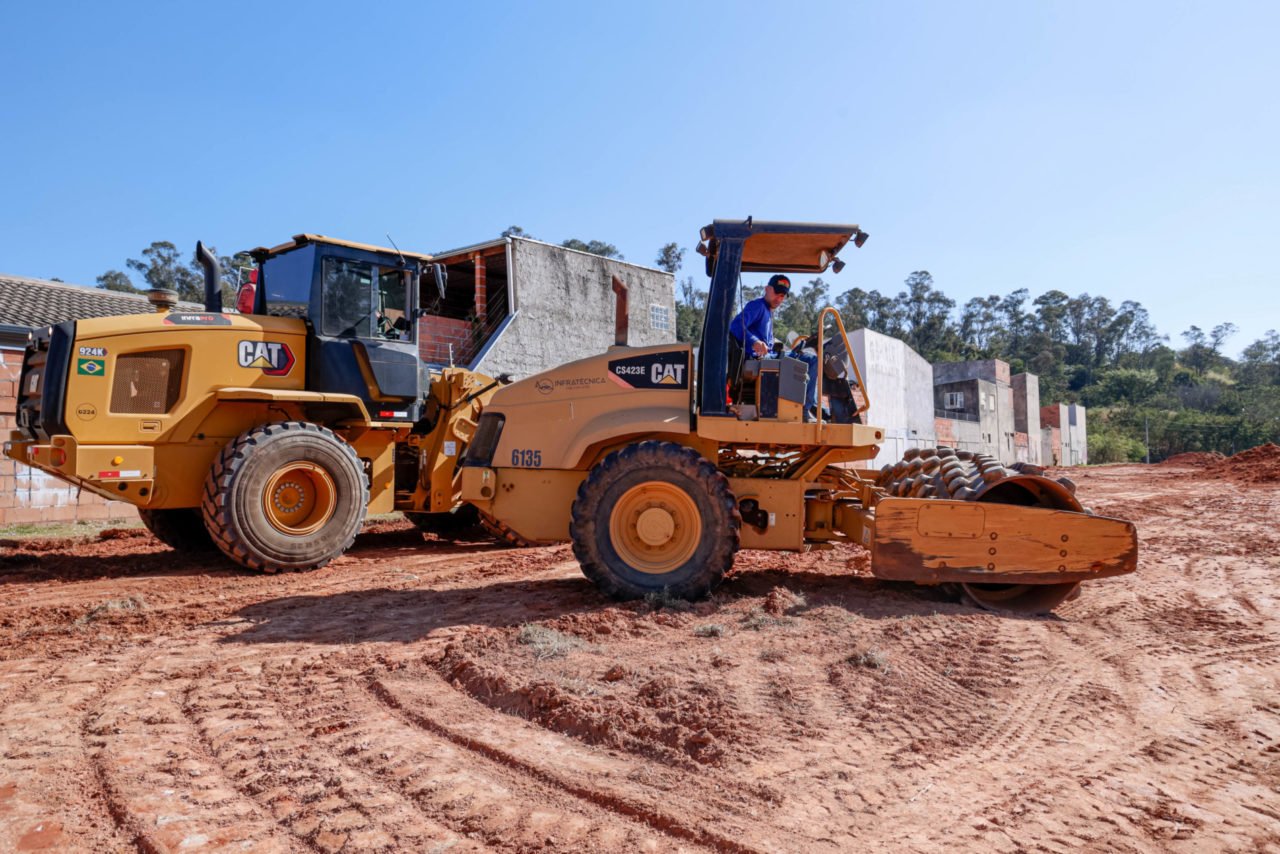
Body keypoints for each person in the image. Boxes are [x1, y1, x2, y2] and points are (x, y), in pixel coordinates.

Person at [728, 274, 820, 421]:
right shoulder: (758, 306)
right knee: (812, 360)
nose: (779, 298)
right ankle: (806, 409)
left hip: (767, 356)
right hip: (758, 358)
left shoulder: (768, 312)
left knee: (805, 359)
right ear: (767, 289)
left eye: (783, 296)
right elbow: (735, 325)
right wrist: (754, 341)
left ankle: (810, 407)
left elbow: (767, 341)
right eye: (777, 293)